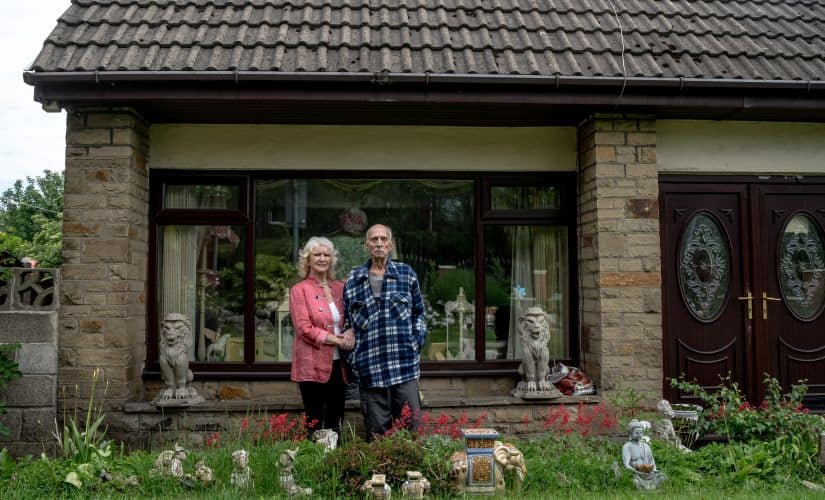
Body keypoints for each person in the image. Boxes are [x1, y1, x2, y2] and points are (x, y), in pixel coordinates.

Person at [343, 224, 426, 441]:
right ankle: (379, 475)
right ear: (366, 245)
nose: (378, 243)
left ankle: (414, 475)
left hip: (403, 367)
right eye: (373, 239)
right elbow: (346, 324)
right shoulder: (353, 280)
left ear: (390, 244)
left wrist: (415, 345)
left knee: (412, 431)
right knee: (376, 436)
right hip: (370, 370)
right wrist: (355, 359)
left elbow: (419, 314)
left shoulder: (406, 275)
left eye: (383, 239)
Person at [289, 236, 355, 437]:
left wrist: (351, 331)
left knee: (336, 419)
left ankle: (333, 463)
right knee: (315, 420)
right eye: (317, 254)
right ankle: (314, 464)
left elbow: (354, 315)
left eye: (327, 254)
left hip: (339, 365)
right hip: (311, 364)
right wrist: (337, 340)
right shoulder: (299, 290)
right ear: (307, 259)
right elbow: (304, 328)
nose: (322, 258)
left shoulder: (341, 287)